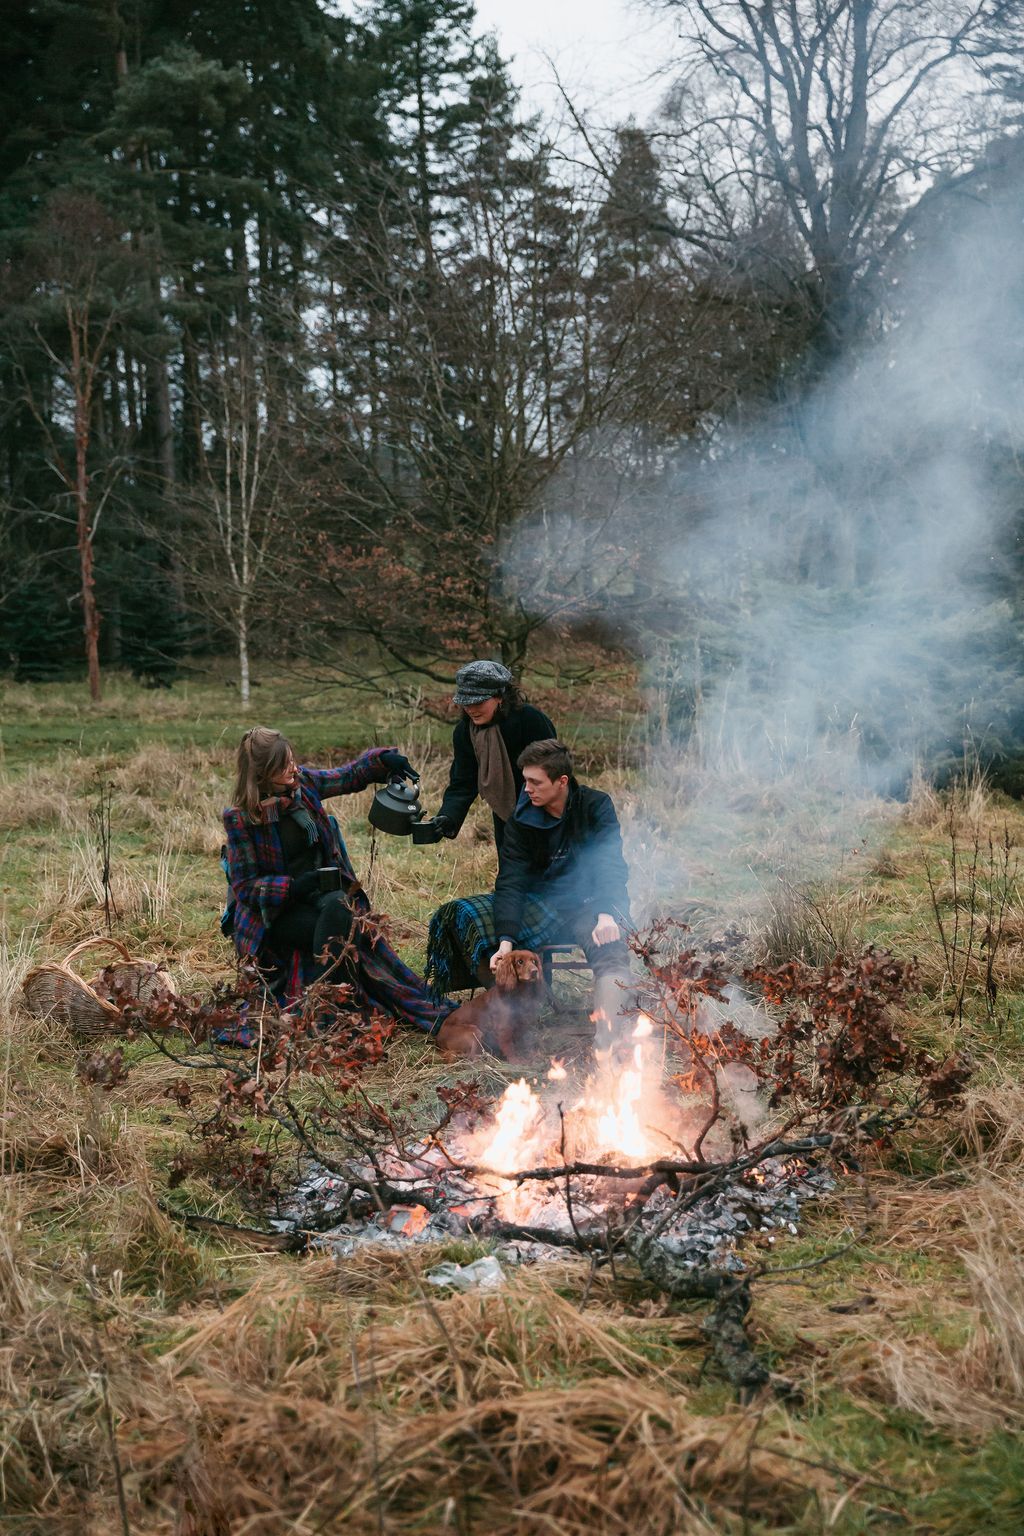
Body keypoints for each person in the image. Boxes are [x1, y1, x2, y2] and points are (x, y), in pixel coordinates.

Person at [222, 727, 452, 1036]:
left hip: (322, 896)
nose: (293, 769)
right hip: (276, 914)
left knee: (341, 909)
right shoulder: (241, 818)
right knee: (338, 921)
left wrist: (383, 761)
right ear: (261, 774)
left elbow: (348, 776)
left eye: (292, 760)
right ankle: (323, 1010)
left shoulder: (302, 786)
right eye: (283, 766)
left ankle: (333, 1003)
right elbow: (246, 887)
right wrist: (295, 885)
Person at [424, 739, 632, 1029]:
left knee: (610, 953)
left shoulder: (595, 805)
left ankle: (610, 1038)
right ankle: (515, 1024)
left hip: (590, 903)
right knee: (463, 914)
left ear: (562, 781)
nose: (527, 789)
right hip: (541, 903)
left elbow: (609, 863)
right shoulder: (522, 818)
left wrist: (607, 914)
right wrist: (505, 941)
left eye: (535, 782)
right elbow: (511, 880)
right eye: (525, 781)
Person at [432, 660, 556, 852]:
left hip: (546, 811)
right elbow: (463, 781)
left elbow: (554, 771)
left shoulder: (530, 721)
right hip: (505, 815)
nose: (471, 709)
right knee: (511, 873)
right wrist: (448, 817)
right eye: (466, 703)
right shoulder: (466, 732)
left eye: (478, 702)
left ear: (500, 696)